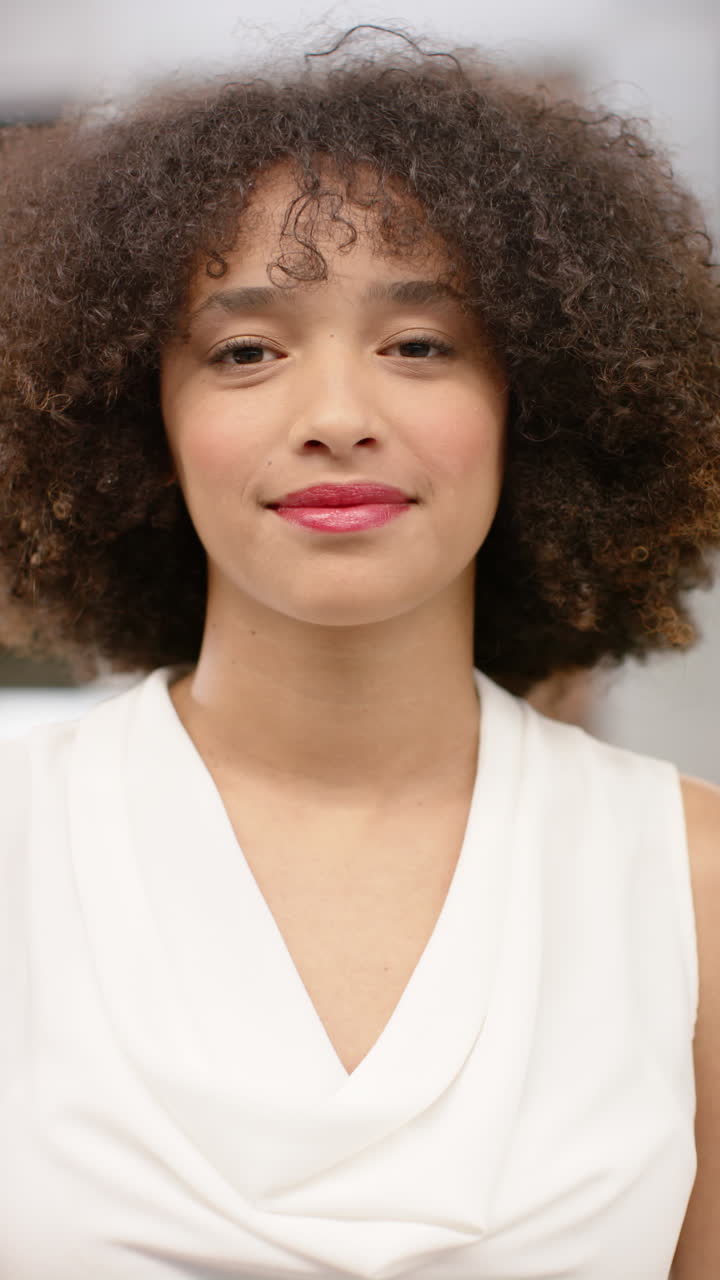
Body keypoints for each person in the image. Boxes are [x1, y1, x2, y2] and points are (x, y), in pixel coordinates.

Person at [1, 24, 719, 1280]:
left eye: (420, 345)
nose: (337, 417)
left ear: (535, 404)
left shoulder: (697, 883)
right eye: (245, 352)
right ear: (133, 418)